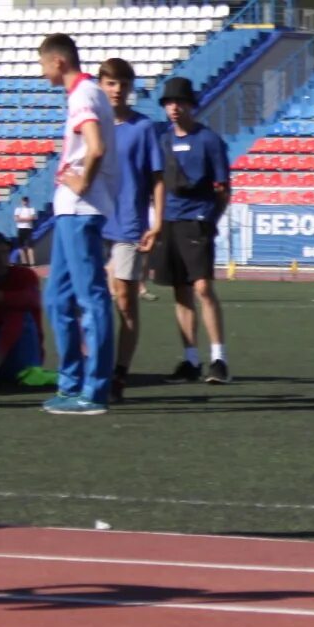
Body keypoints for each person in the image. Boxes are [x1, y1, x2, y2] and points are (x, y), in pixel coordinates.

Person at [38, 33, 122, 414]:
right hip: (70, 208)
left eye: (42, 65)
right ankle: (70, 382)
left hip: (81, 208)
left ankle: (94, 389)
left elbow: (97, 145)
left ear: (58, 62)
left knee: (90, 298)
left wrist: (83, 180)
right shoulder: (84, 94)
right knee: (56, 298)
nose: (42, 74)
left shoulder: (84, 94)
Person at [153, 76, 232, 383]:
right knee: (180, 291)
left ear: (191, 105)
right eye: (169, 103)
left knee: (202, 288)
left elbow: (223, 188)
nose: (173, 108)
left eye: (179, 102)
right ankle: (190, 359)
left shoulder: (209, 140)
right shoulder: (163, 140)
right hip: (169, 221)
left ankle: (219, 359)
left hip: (196, 220)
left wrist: (210, 219)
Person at [97, 58, 164, 402]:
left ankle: (120, 372)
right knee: (92, 301)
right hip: (92, 222)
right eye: (111, 83)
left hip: (128, 225)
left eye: (123, 83)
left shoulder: (144, 128)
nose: (117, 89)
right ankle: (93, 368)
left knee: (125, 300)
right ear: (101, 86)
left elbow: (157, 178)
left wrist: (158, 221)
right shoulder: (93, 125)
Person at [0, 230, 56, 389]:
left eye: (4, 252)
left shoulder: (23, 275)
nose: (0, 258)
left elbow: (29, 300)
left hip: (24, 355)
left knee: (18, 311)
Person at [13, 197, 37, 267]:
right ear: (22, 202)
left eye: (26, 201)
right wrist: (27, 219)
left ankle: (32, 263)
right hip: (21, 228)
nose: (25, 202)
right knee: (21, 246)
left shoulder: (31, 209)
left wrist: (22, 219)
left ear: (28, 202)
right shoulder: (18, 209)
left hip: (28, 229)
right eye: (24, 201)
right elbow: (16, 219)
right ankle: (24, 263)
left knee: (30, 246)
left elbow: (33, 217)